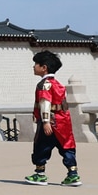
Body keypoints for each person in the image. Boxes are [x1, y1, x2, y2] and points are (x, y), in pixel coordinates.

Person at [27, 50, 79, 186]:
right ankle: (73, 174)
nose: (33, 67)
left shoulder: (44, 85)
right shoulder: (58, 84)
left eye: (36, 64)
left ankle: (40, 174)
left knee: (41, 146)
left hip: (50, 121)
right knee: (66, 145)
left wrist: (45, 122)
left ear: (44, 67)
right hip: (63, 121)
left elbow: (45, 103)